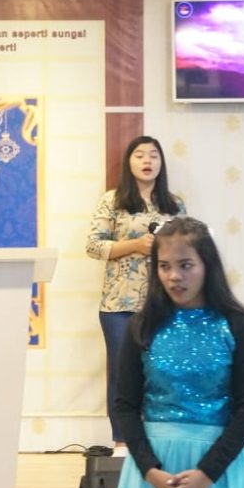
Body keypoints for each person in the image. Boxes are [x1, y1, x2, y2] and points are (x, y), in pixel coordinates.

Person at [110, 216, 244, 488]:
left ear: (207, 265)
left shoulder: (235, 324)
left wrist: (206, 474)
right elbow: (125, 406)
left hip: (218, 470)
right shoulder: (142, 326)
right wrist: (150, 471)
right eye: (164, 266)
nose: (174, 276)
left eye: (186, 265)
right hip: (154, 472)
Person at [86, 135, 183, 453]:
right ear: (129, 162)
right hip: (118, 304)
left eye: (154, 155)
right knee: (122, 372)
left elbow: (188, 250)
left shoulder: (174, 204)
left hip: (164, 304)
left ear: (161, 163)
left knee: (162, 371)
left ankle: (159, 437)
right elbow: (94, 246)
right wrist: (135, 245)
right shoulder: (112, 200)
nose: (147, 161)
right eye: (140, 155)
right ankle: (122, 441)